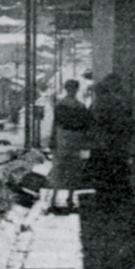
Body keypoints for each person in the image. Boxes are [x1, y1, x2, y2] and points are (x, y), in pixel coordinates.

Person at [49, 79, 92, 211]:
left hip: (62, 137)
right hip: (75, 139)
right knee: (73, 170)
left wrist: (52, 139)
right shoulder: (81, 106)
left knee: (59, 169)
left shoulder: (60, 105)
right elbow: (86, 127)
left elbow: (55, 124)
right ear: (76, 90)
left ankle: (54, 197)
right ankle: (70, 197)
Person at [88, 74, 130, 198]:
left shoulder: (100, 103)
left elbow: (94, 120)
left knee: (102, 167)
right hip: (116, 140)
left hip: (103, 140)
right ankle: (117, 192)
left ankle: (104, 193)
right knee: (116, 166)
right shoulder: (117, 101)